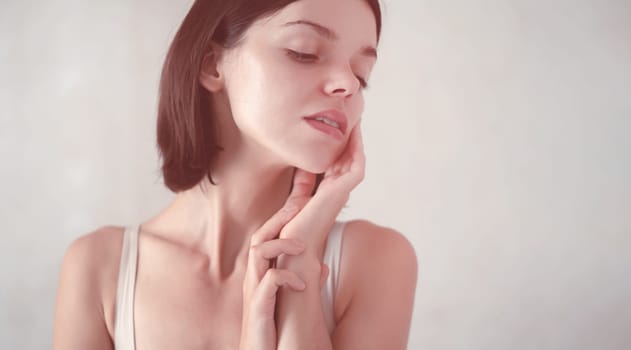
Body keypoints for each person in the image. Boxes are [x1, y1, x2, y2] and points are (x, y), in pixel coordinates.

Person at [53, 0, 417, 348]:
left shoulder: (376, 262)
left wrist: (300, 270)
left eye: (361, 74)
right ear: (213, 65)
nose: (348, 84)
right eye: (304, 52)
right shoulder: (97, 268)